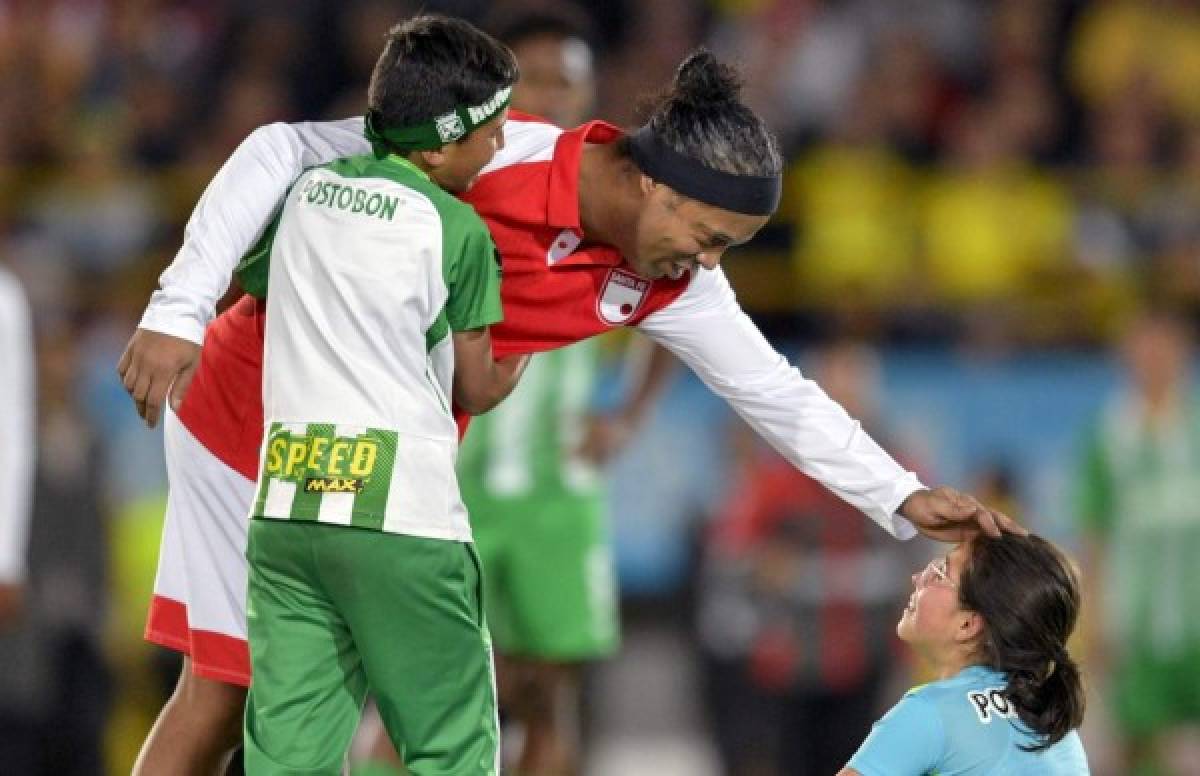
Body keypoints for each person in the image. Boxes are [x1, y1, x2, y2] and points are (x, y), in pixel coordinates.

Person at [119, 44, 1019, 776]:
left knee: (249, 698)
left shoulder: (672, 280)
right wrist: (176, 309)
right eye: (707, 238)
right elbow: (283, 149)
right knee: (236, 692)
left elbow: (772, 390)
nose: (708, 266)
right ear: (651, 186)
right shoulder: (494, 154)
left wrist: (899, 496)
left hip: (369, 458)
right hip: (255, 405)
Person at [234, 16, 526, 775]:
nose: (499, 147)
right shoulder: (456, 229)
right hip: (402, 514)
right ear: (436, 145)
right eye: (488, 132)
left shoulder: (304, 195)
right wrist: (524, 343)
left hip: (289, 505)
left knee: (289, 757)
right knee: (451, 748)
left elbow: (257, 282)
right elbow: (479, 386)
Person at [696, 342, 929, 776]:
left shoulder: (897, 472)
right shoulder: (778, 475)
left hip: (868, 657)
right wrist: (766, 568)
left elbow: (922, 558)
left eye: (854, 400)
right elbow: (734, 554)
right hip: (790, 664)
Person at [841, 534, 1090, 775]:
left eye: (939, 574)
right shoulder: (1055, 724)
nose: (917, 578)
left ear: (968, 625)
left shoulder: (930, 713)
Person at [1077, 308, 1200, 774]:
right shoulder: (1109, 435)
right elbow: (1094, 532)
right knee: (1132, 745)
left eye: (1164, 348)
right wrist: (1096, 617)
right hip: (1137, 624)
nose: (1153, 360)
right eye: (1143, 349)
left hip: (1196, 621)